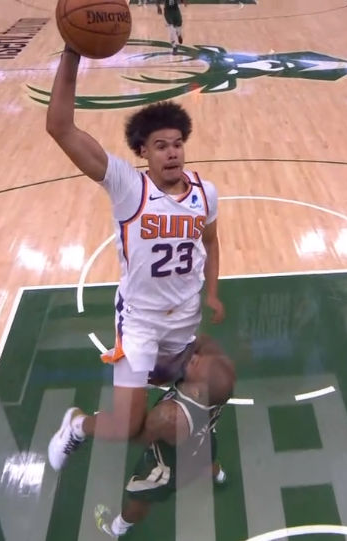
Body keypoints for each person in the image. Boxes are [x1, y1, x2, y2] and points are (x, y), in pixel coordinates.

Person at [44, 46, 224, 470]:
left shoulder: (205, 193)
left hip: (185, 317)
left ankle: (192, 449)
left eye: (177, 144)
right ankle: (77, 424)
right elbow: (60, 127)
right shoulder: (128, 186)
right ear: (143, 152)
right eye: (161, 146)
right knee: (128, 425)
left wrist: (213, 292)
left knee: (214, 386)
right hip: (140, 321)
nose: (172, 153)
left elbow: (212, 242)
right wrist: (73, 53)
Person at [95, 336, 235, 538]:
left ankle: (117, 527)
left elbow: (137, 435)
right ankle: (219, 475)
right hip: (203, 444)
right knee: (205, 459)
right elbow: (197, 344)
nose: (194, 357)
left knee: (139, 498)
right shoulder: (216, 392)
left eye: (196, 363)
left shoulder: (169, 417)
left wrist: (135, 391)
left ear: (196, 391)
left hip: (167, 469)